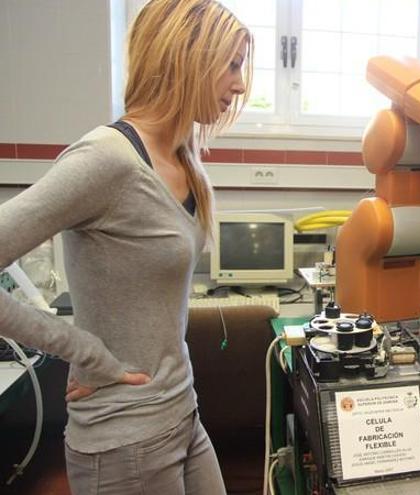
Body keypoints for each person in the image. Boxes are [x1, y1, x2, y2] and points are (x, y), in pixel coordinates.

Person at [0, 0, 251, 493]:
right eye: (233, 64)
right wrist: (87, 352)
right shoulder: (107, 158)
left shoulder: (186, 161)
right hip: (123, 438)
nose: (240, 85)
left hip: (182, 413)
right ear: (186, 54)